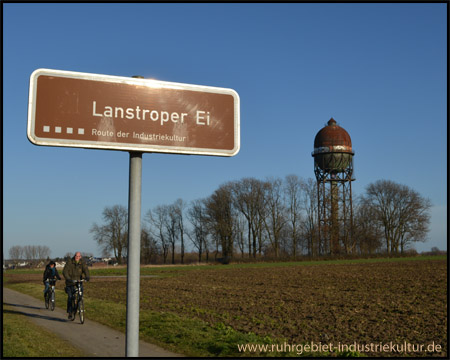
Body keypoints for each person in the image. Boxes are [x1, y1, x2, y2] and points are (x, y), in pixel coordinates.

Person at [63, 252, 90, 320]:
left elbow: (85, 269)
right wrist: (68, 278)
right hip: (70, 282)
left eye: (79, 256)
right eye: (76, 256)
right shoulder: (70, 262)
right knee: (70, 297)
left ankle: (79, 304)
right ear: (74, 256)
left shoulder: (82, 262)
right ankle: (70, 312)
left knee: (80, 295)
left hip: (78, 281)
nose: (77, 257)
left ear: (80, 257)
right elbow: (65, 271)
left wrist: (87, 276)